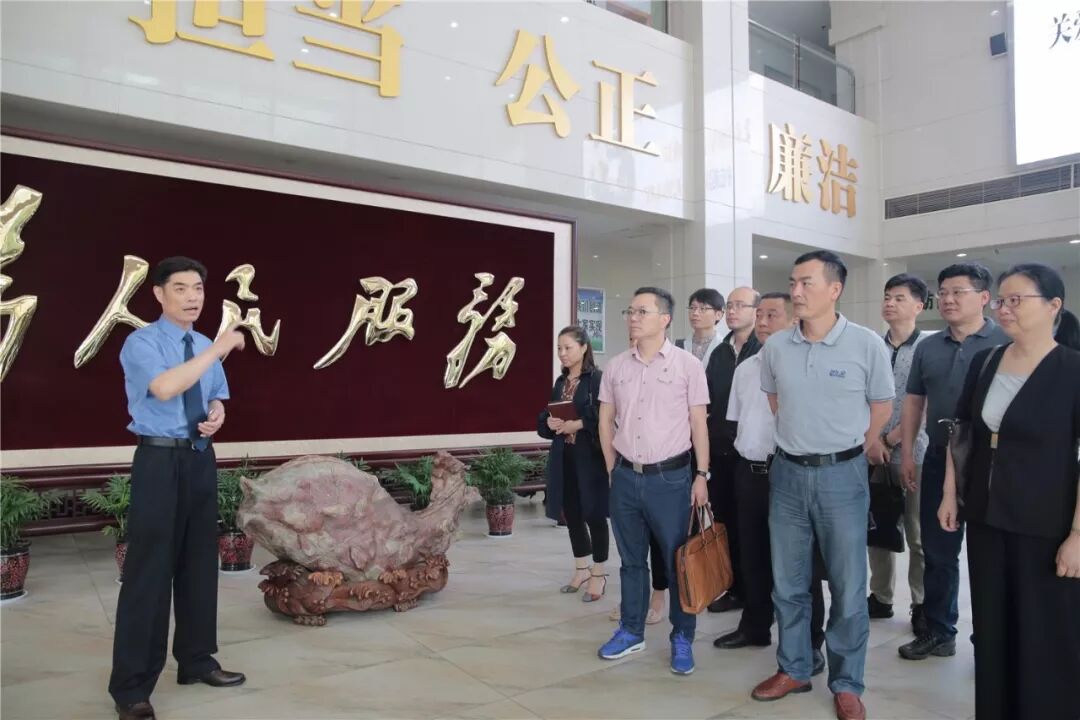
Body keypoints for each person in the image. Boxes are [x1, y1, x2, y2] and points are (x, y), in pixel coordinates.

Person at [751, 251, 894, 720]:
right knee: (789, 581)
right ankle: (794, 667)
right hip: (788, 474)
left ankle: (847, 682)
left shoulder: (866, 344)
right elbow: (776, 401)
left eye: (806, 283)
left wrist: (848, 447)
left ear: (835, 289)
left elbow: (882, 407)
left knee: (849, 587)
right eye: (793, 282)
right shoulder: (776, 347)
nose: (795, 291)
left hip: (843, 476)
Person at [938, 263, 1080, 719]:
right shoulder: (987, 362)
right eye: (1002, 300)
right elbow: (962, 433)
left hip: (1047, 523)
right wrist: (950, 494)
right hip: (986, 517)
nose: (1004, 309)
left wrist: (1078, 534)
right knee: (993, 628)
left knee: (1045, 632)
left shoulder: (1073, 369)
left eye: (1017, 300)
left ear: (1054, 306)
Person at [109, 257, 247, 720]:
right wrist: (219, 348)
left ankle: (196, 660)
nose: (192, 297)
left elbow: (215, 395)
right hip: (158, 460)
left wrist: (217, 414)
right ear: (159, 294)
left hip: (198, 457)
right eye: (181, 288)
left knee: (199, 563)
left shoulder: (203, 344)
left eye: (198, 289)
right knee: (149, 571)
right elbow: (167, 387)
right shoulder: (142, 342)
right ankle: (131, 687)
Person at [712, 292, 828, 678]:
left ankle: (810, 642)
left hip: (790, 473)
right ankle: (755, 626)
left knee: (800, 564)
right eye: (758, 314)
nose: (762, 322)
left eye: (771, 315)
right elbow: (738, 422)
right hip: (749, 471)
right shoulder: (746, 368)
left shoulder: (808, 364)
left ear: (794, 319)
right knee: (752, 554)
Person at [596, 287, 711, 676]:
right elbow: (605, 420)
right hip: (626, 477)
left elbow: (699, 424)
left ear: (665, 319)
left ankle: (682, 636)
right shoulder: (616, 367)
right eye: (630, 311)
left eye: (642, 311)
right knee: (631, 561)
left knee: (678, 562)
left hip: (671, 479)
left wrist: (701, 474)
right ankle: (631, 630)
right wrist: (612, 468)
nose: (633, 317)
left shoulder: (687, 366)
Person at [898, 263, 1008, 661]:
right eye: (942, 292)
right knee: (937, 551)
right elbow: (914, 402)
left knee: (989, 554)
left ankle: (991, 640)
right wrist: (908, 453)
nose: (947, 299)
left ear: (984, 298)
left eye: (957, 292)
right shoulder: (927, 347)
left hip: (992, 462)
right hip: (937, 458)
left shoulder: (1005, 340)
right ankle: (939, 631)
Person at [867, 274, 930, 636]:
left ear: (919, 305)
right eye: (887, 297)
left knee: (918, 533)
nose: (890, 303)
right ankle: (880, 596)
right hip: (873, 453)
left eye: (899, 298)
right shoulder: (872, 345)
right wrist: (872, 441)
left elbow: (925, 404)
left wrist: (890, 439)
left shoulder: (928, 347)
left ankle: (921, 603)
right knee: (878, 527)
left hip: (914, 453)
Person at [538, 326, 609, 602]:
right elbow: (547, 414)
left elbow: (606, 414)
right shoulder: (560, 382)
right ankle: (581, 569)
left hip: (590, 458)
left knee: (594, 513)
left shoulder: (596, 380)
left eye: (567, 347)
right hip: (564, 455)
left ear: (584, 347)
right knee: (572, 513)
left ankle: (599, 573)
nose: (562, 353)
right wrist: (551, 422)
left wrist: (577, 424)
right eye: (559, 348)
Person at [703, 286, 761, 613]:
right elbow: (708, 400)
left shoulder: (763, 349)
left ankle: (758, 593)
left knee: (753, 528)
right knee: (726, 525)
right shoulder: (720, 353)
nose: (733, 311)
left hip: (753, 456)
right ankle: (735, 588)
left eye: (741, 305)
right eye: (729, 305)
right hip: (721, 452)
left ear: (756, 311)